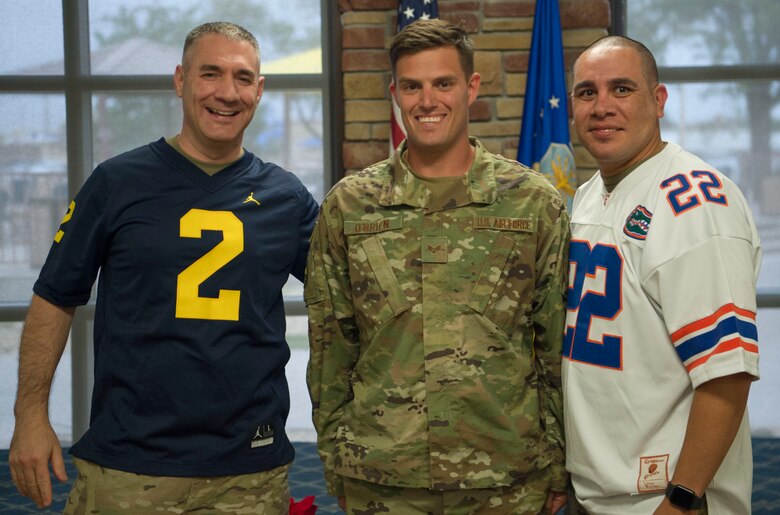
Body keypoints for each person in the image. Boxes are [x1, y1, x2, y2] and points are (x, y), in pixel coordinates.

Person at [9, 21, 318, 513]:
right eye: (210, 73)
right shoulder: (116, 182)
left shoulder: (288, 197)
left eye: (242, 78)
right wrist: (30, 415)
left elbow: (347, 295)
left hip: (250, 467)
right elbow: (55, 296)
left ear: (259, 91)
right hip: (129, 465)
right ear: (180, 80)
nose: (226, 92)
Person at [304, 18, 569, 515]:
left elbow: (553, 344)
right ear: (395, 93)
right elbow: (330, 350)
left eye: (443, 83)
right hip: (382, 475)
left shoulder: (532, 203)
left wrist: (557, 460)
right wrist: (336, 458)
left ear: (471, 87)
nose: (427, 101)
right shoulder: (349, 207)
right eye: (412, 86)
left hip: (507, 475)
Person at [563, 35, 761, 514]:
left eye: (622, 89)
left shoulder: (695, 202)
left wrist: (683, 498)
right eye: (587, 92)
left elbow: (726, 374)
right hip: (601, 490)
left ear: (659, 100)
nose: (602, 106)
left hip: (666, 498)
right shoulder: (592, 192)